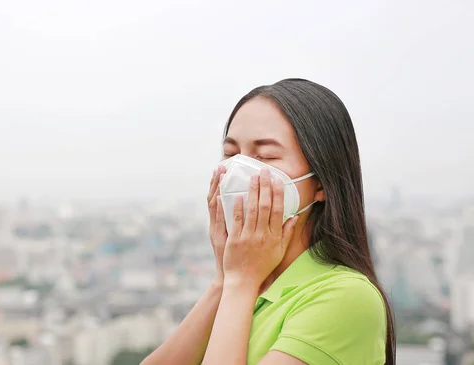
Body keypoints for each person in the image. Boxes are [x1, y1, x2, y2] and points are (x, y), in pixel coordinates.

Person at [141, 78, 395, 365]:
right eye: (231, 154)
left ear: (322, 181)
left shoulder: (345, 297)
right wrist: (225, 279)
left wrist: (240, 281)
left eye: (266, 156)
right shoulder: (248, 287)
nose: (239, 171)